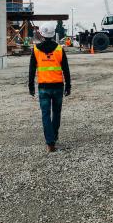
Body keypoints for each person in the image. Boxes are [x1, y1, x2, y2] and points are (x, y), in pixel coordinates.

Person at [28, 22, 71, 152]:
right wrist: (68, 85)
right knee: (56, 113)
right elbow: (66, 69)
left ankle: (50, 142)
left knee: (45, 114)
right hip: (58, 86)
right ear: (53, 34)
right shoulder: (59, 49)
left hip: (43, 87)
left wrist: (31, 86)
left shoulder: (35, 50)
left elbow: (31, 70)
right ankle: (54, 136)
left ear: (41, 33)